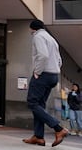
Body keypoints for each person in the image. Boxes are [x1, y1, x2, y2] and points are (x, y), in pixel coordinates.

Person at [23, 19, 68, 147]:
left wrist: (37, 71)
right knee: (39, 106)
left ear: (33, 28)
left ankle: (58, 129)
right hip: (53, 75)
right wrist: (55, 70)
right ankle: (38, 137)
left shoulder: (38, 37)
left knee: (32, 103)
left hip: (43, 74)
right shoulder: (51, 38)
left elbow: (43, 55)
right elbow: (59, 60)